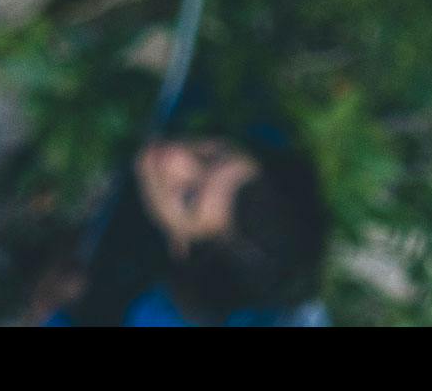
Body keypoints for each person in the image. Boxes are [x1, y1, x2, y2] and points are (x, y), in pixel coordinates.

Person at [47, 131, 329, 330]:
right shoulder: (269, 141)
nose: (175, 156)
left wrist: (59, 309)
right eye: (213, 156)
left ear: (181, 247)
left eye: (189, 197)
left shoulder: (156, 317)